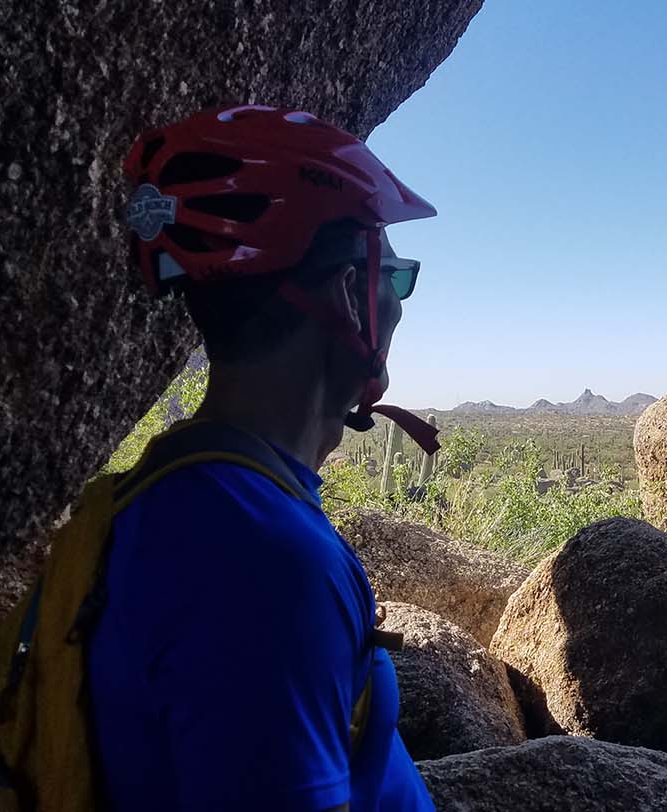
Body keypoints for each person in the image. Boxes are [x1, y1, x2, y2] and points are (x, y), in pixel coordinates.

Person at [87, 105, 439, 810]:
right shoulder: (261, 564)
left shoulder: (193, 499)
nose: (398, 305)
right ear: (349, 293)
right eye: (393, 278)